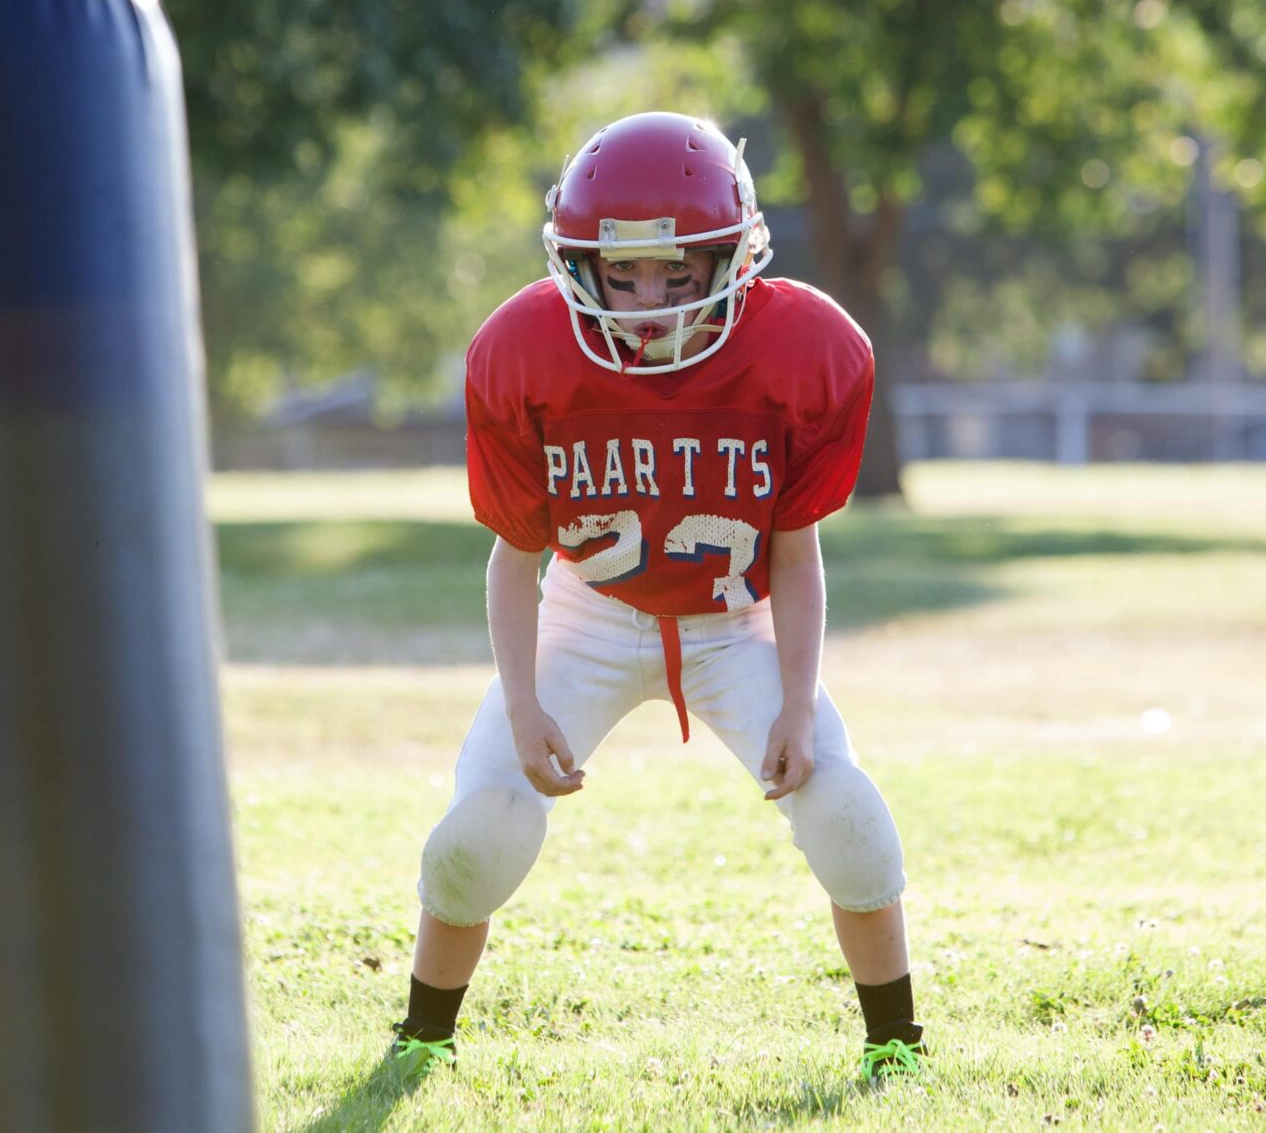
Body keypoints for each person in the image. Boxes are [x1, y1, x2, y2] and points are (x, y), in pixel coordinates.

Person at [388, 111, 923, 1080]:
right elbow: (514, 561)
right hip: (584, 613)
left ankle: (896, 1045)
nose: (643, 299)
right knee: (486, 824)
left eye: (674, 273)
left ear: (729, 257)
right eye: (621, 271)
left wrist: (796, 705)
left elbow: (793, 557)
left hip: (732, 624)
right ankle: (421, 1036)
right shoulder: (524, 350)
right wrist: (521, 705)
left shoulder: (801, 349)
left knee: (840, 807)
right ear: (577, 262)